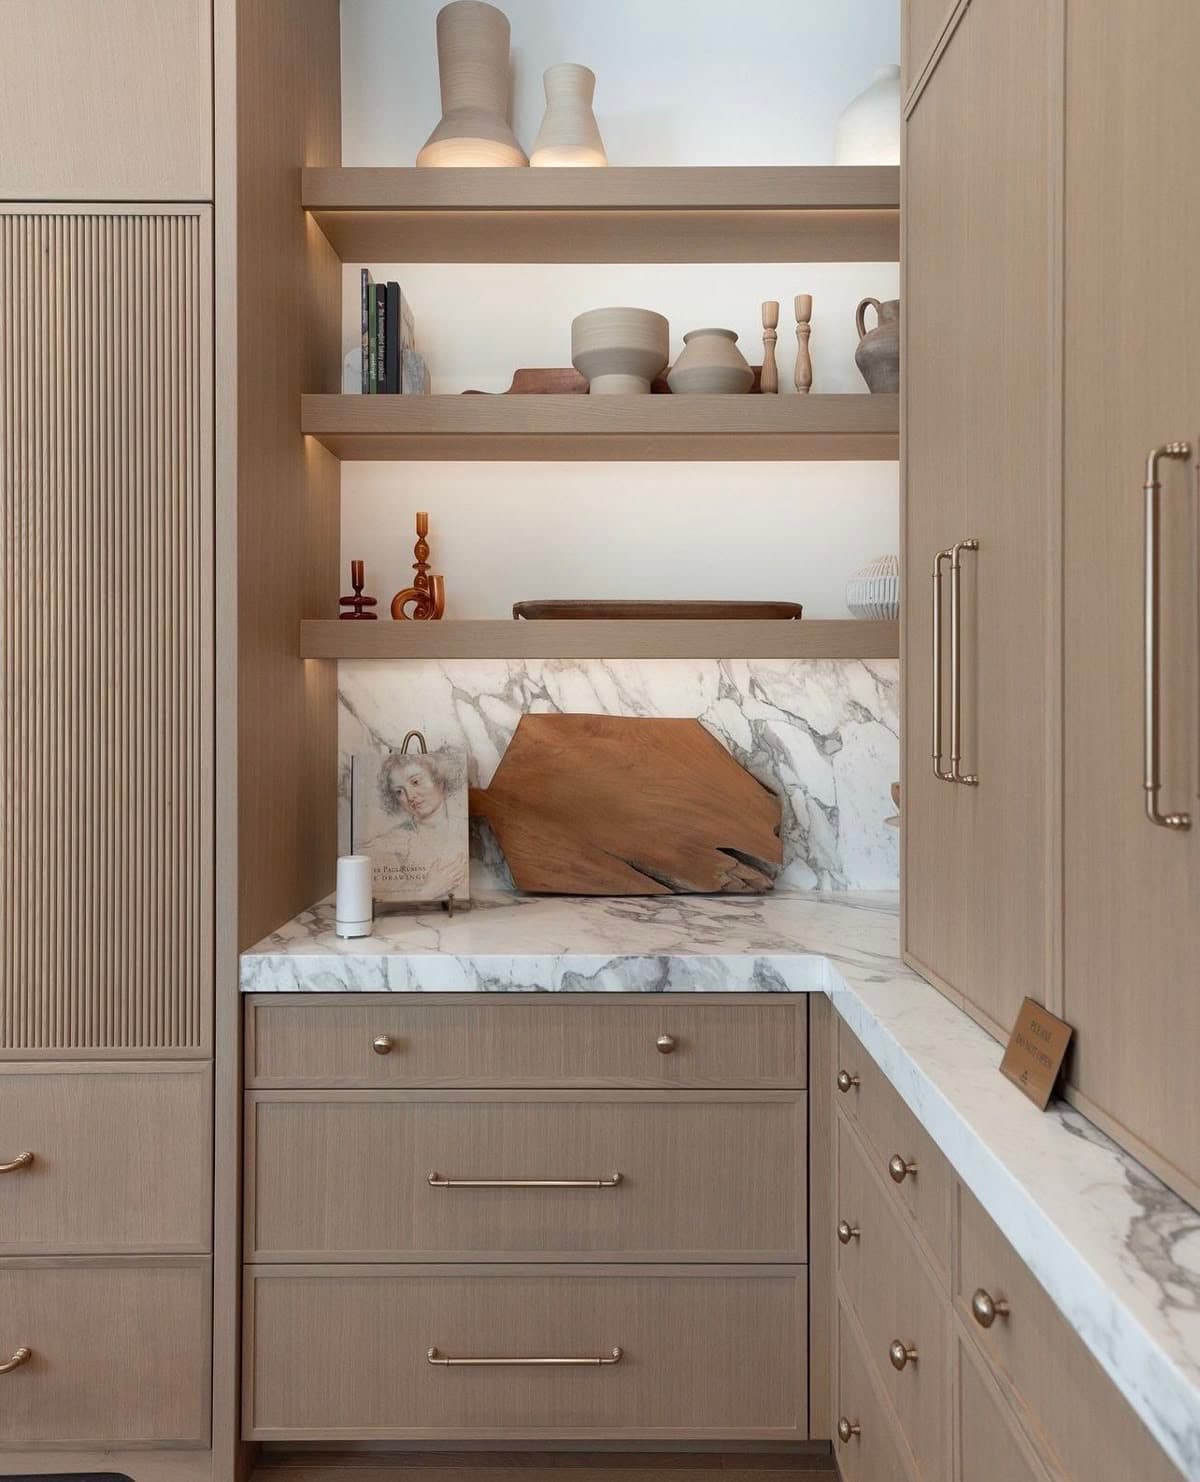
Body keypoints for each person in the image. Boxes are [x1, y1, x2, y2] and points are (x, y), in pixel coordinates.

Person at [372, 748, 467, 902]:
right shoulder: (393, 841)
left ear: (439, 779)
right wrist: (430, 890)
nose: (409, 796)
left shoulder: (466, 829)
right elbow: (383, 899)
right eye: (399, 792)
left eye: (415, 782)